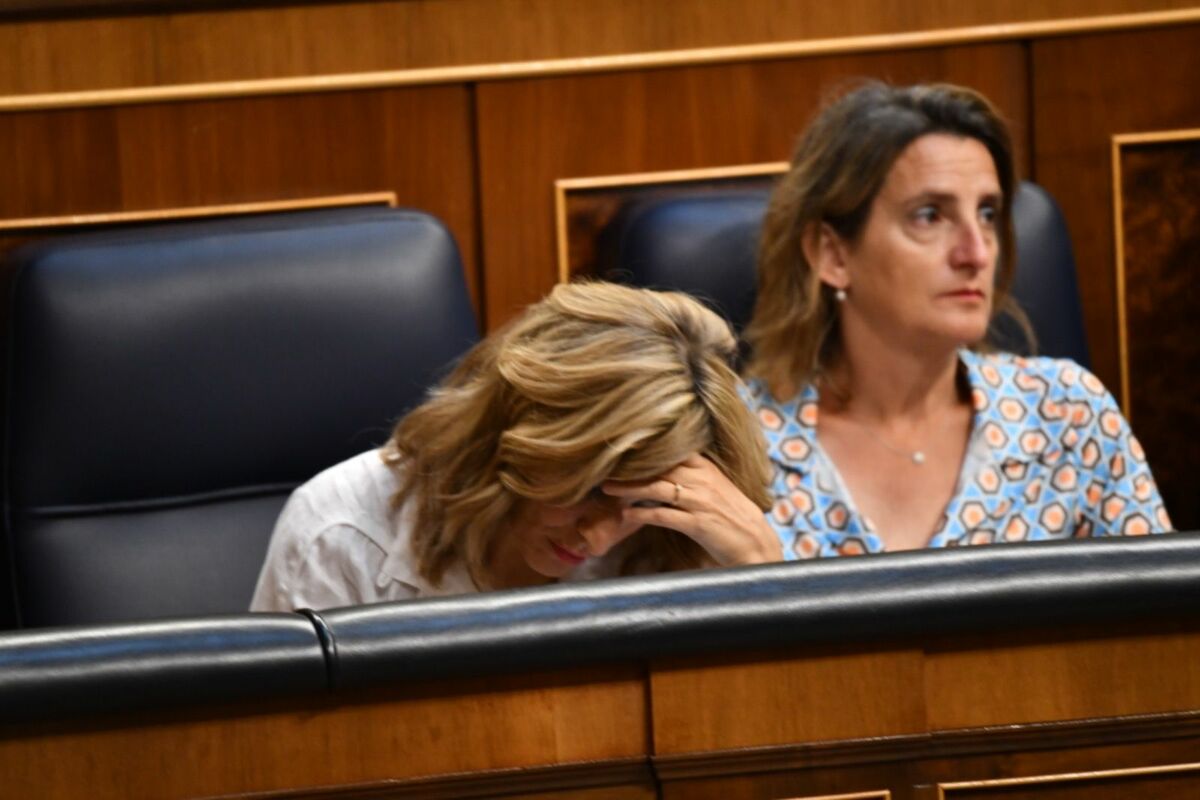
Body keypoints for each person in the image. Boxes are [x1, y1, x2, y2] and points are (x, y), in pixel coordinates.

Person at [742, 81, 1172, 558]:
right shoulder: (740, 445)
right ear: (833, 253)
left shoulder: (1068, 417)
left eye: (987, 214)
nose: (976, 252)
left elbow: (1162, 626)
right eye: (929, 215)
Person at [251, 281, 780, 611]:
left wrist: (760, 572)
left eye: (638, 503)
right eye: (592, 489)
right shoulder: (339, 535)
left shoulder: (670, 538)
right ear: (520, 436)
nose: (599, 539)